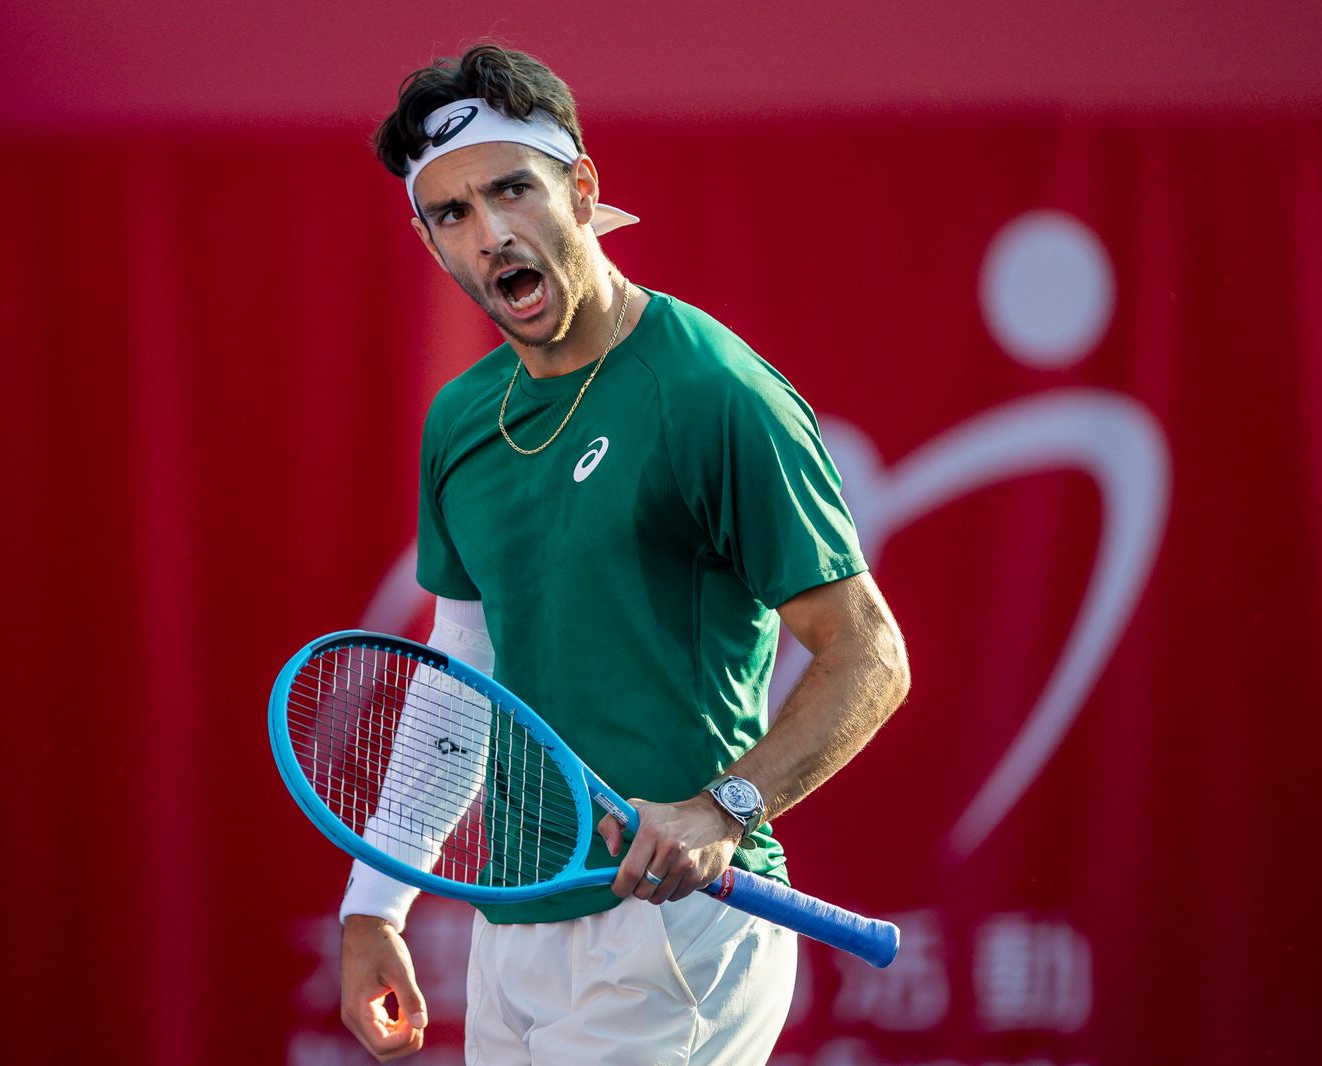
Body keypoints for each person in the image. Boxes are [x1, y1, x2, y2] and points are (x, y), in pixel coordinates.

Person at [338, 43, 911, 1064]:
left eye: (513, 189)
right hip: (514, 920)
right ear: (430, 243)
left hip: (677, 930)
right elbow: (463, 666)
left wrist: (721, 811)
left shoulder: (711, 391)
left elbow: (870, 654)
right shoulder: (461, 420)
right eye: (453, 213)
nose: (492, 233)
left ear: (583, 189)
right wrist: (374, 904)